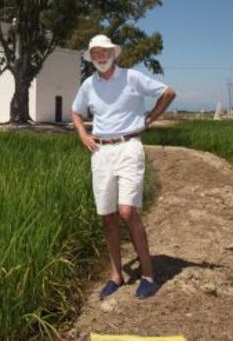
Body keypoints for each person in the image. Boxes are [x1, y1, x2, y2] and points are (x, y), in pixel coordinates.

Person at [71, 34, 176, 300]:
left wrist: (151, 118)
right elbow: (76, 112)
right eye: (95, 53)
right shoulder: (88, 85)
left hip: (129, 148)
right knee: (107, 216)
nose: (100, 57)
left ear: (113, 54)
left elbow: (168, 92)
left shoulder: (132, 77)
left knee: (127, 211)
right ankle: (116, 275)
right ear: (91, 57)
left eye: (104, 52)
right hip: (101, 152)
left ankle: (149, 275)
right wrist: (84, 135)